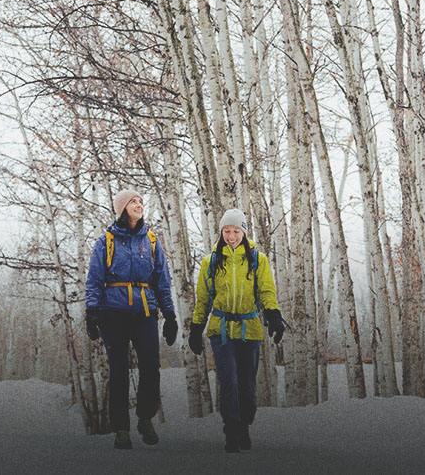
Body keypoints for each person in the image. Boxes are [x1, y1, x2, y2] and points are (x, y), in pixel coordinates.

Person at [85, 189, 178, 449]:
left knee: (150, 367)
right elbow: (94, 279)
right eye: (133, 202)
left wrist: (169, 315)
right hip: (112, 313)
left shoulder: (151, 241)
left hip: (145, 313)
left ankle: (145, 418)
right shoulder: (107, 241)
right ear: (122, 208)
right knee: (119, 371)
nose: (138, 204)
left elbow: (162, 280)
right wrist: (92, 311)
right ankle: (121, 429)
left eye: (140, 201)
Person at [188, 208, 285, 453]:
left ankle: (244, 425)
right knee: (228, 380)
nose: (231, 236)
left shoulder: (256, 259)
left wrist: (273, 315)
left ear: (243, 231)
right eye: (227, 231)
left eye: (236, 231)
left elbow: (266, 291)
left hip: (249, 329)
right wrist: (196, 327)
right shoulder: (211, 261)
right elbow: (203, 298)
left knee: (247, 384)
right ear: (221, 232)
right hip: (221, 329)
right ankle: (231, 429)